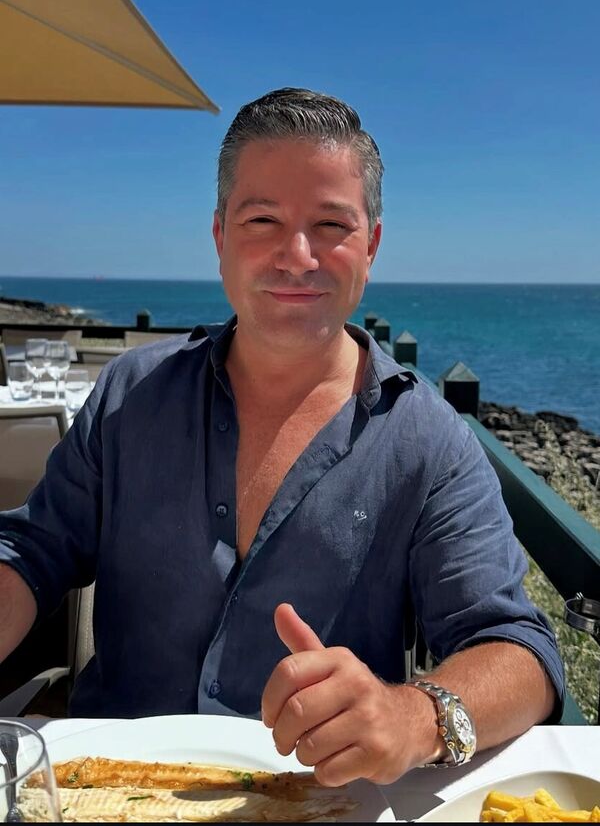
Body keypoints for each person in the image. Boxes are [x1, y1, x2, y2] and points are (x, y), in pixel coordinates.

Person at [0, 88, 563, 786]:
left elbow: (520, 652)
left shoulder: (428, 440)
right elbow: (30, 551)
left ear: (370, 245)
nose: (297, 256)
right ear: (220, 238)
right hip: (106, 785)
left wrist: (415, 717)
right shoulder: (129, 395)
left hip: (318, 799)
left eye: (330, 224)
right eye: (262, 219)